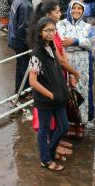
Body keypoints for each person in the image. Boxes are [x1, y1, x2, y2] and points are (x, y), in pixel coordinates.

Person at [28, 17, 70, 171]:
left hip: (58, 97)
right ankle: (45, 159)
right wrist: (51, 95)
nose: (51, 33)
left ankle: (50, 151)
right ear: (40, 33)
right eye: (48, 30)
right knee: (44, 129)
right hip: (45, 100)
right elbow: (32, 81)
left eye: (53, 30)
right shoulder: (37, 53)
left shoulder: (51, 46)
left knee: (64, 127)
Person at [57, 0, 93, 130]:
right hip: (66, 61)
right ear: (69, 9)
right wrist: (79, 43)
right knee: (67, 91)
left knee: (81, 90)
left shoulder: (87, 26)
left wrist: (75, 41)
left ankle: (80, 123)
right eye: (74, 8)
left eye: (79, 9)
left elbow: (91, 44)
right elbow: (62, 41)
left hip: (83, 63)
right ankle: (67, 124)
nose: (76, 11)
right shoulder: (61, 24)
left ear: (83, 11)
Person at [8, 0, 43, 93]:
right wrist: (29, 46)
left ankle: (19, 91)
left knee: (20, 67)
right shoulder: (26, 5)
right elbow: (23, 29)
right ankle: (25, 92)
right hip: (21, 42)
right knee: (24, 68)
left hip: (13, 38)